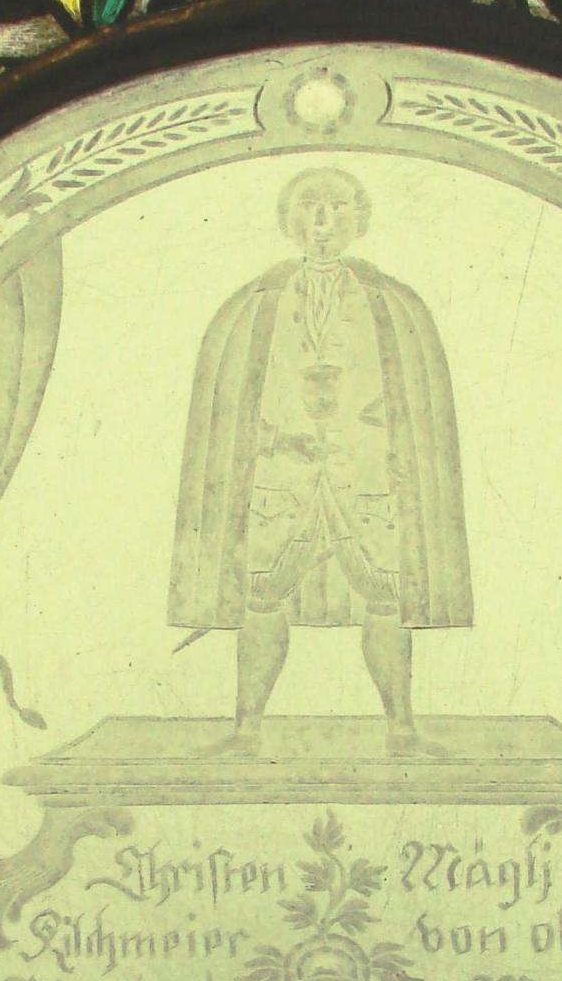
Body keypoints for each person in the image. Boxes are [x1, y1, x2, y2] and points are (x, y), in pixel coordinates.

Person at [168, 166, 472, 753]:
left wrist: (379, 427)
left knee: (387, 599)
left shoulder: (395, 304)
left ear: (360, 219)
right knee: (261, 598)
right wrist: (272, 439)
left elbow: (417, 401)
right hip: (281, 480)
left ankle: (402, 728)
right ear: (289, 219)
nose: (323, 221)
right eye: (310, 206)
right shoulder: (253, 304)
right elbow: (229, 403)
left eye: (337, 206)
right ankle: (246, 730)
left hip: (369, 478)